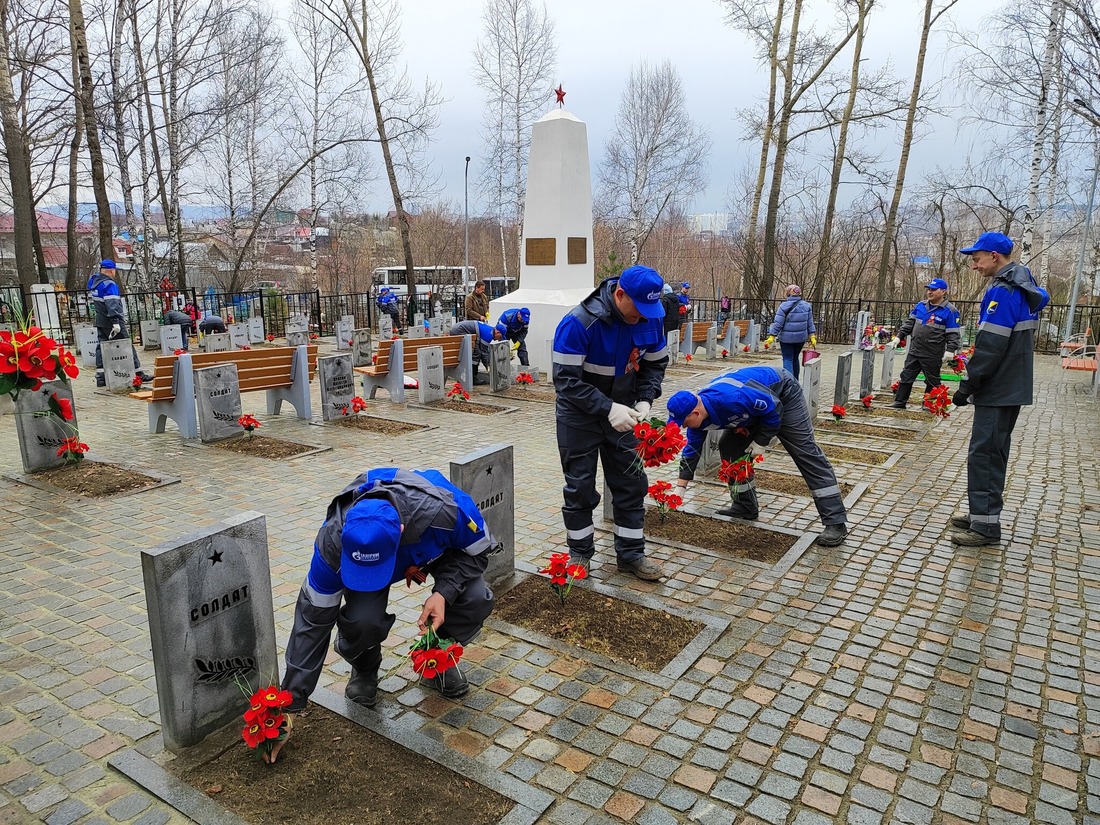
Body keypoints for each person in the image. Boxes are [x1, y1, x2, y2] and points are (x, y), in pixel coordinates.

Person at [267, 467, 497, 762]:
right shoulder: (333, 543)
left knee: (476, 597)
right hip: (389, 545)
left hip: (433, 547)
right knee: (363, 619)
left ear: (400, 532)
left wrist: (443, 593)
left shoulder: (449, 513)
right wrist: (291, 705)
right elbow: (311, 622)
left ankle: (437, 656)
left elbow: (477, 552)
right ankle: (364, 665)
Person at [551, 264, 670, 581]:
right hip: (579, 417)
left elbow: (654, 366)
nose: (643, 316)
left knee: (631, 484)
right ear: (620, 294)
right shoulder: (578, 324)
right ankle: (579, 555)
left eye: (649, 309)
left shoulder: (650, 319)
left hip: (625, 416)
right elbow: (565, 381)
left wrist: (645, 398)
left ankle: (631, 555)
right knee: (580, 488)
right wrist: (607, 408)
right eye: (639, 308)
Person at [667, 365, 848, 546]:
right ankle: (744, 506)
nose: (682, 427)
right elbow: (692, 449)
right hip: (757, 407)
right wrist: (680, 488)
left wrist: (761, 441)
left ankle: (835, 522)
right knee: (730, 448)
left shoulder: (731, 398)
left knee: (805, 453)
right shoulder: (699, 419)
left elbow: (773, 407)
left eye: (684, 422)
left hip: (783, 394)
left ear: (696, 412)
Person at [950, 232, 1049, 547]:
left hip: (999, 386)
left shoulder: (1005, 292)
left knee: (985, 455)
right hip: (1008, 384)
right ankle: (983, 514)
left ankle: (986, 528)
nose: (974, 266)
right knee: (991, 453)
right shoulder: (1019, 286)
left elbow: (991, 347)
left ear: (994, 256)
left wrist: (967, 385)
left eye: (977, 259)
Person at [888, 278, 961, 409]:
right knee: (906, 376)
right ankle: (900, 402)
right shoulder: (921, 306)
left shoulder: (950, 311)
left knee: (932, 380)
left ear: (943, 291)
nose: (929, 292)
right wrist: (899, 336)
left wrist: (950, 350)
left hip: (932, 352)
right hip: (915, 349)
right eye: (928, 289)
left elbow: (953, 333)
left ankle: (928, 404)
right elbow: (910, 323)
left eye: (933, 290)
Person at [88, 259, 148, 382]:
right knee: (125, 345)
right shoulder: (109, 284)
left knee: (102, 346)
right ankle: (137, 372)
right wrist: (116, 322)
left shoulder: (95, 283)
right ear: (111, 270)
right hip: (112, 320)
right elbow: (112, 303)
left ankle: (101, 376)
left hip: (101, 319)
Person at [765, 284, 817, 380]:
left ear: (788, 293)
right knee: (795, 358)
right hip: (800, 338)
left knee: (788, 359)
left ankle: (789, 382)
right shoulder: (807, 306)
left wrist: (772, 336)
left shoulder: (783, 306)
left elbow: (778, 323)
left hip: (786, 339)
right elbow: (810, 323)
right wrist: (812, 336)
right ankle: (796, 380)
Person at [448, 319, 504, 385]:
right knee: (477, 353)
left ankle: (471, 376)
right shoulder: (488, 335)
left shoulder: (490, 330)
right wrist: (489, 367)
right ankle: (472, 378)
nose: (498, 340)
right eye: (500, 337)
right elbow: (484, 353)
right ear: (497, 332)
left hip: (459, 328)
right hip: (459, 330)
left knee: (476, 351)